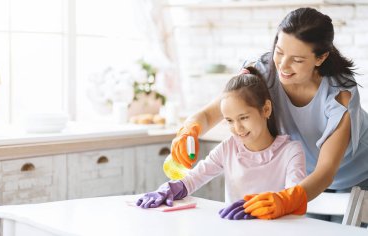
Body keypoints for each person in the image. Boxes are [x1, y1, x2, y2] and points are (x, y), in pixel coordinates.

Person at [170, 7, 368, 221]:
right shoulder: (263, 72)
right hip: (306, 180)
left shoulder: (340, 95)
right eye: (279, 51)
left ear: (320, 58)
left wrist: (287, 199)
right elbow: (209, 115)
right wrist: (189, 130)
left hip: (358, 178)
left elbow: (326, 171)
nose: (283, 65)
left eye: (297, 60)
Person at [136, 66, 307, 220]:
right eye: (229, 121)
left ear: (266, 109)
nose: (238, 128)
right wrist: (172, 189)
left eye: (244, 118)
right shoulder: (229, 147)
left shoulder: (291, 151)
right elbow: (195, 178)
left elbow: (293, 196)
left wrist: (266, 208)